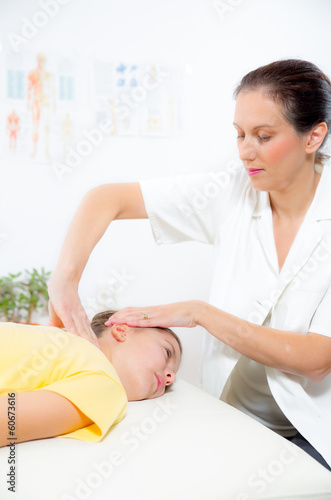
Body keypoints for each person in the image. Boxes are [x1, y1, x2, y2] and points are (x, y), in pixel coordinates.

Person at [48, 59, 331, 470]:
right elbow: (105, 198)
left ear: (314, 136)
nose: (245, 151)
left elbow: (317, 358)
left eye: (264, 136)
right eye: (239, 135)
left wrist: (199, 313)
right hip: (233, 420)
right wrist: (66, 278)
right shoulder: (230, 191)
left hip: (312, 432)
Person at [0, 310, 182, 447]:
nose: (170, 377)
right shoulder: (107, 386)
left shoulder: (99, 379)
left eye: (171, 377)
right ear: (121, 331)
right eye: (167, 352)